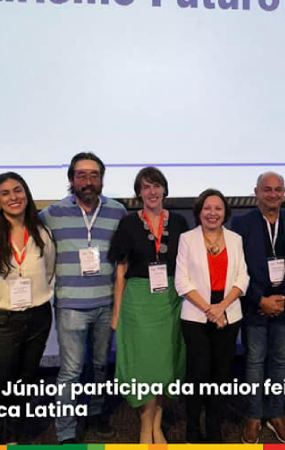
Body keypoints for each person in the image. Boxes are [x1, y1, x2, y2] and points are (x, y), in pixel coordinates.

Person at [39, 152, 127, 443]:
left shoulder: (117, 212)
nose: (88, 181)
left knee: (101, 365)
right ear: (71, 179)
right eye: (81, 175)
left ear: (101, 179)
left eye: (94, 175)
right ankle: (65, 431)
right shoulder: (51, 214)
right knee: (71, 370)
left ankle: (96, 412)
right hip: (70, 306)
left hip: (105, 303)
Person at [0, 172, 55, 443]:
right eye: (5, 193)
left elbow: (50, 270)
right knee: (0, 382)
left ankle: (16, 432)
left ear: (27, 195)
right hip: (0, 321)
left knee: (26, 379)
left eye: (18, 191)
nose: (13, 197)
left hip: (38, 317)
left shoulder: (41, 234)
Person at [108, 167, 188, 443]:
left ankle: (158, 423)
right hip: (138, 301)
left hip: (170, 301)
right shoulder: (129, 224)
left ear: (164, 190)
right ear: (138, 193)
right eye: (145, 187)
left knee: (165, 364)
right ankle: (145, 425)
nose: (151, 192)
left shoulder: (179, 222)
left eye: (156, 186)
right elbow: (121, 271)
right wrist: (116, 313)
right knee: (144, 366)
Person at [231, 172, 285, 444]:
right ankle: (254, 415)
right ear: (256, 192)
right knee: (254, 362)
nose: (273, 194)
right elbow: (237, 269)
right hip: (255, 306)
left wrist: (284, 298)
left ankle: (276, 413)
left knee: (279, 361)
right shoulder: (241, 224)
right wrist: (260, 300)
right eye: (267, 189)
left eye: (278, 190)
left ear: (284, 192)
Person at [175, 188, 249, 443]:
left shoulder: (235, 239)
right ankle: (193, 428)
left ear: (225, 212)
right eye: (207, 208)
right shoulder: (187, 239)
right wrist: (210, 309)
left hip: (228, 314)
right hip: (196, 315)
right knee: (197, 375)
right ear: (199, 212)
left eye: (218, 208)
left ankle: (214, 427)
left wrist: (222, 307)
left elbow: (243, 277)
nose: (212, 213)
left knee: (221, 374)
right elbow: (181, 282)